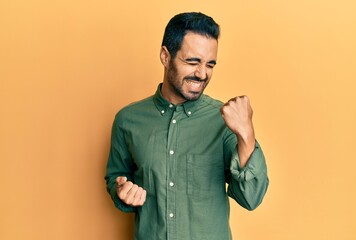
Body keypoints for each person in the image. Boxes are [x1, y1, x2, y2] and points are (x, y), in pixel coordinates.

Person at [105, 12, 269, 240]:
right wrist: (121, 190)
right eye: (192, 62)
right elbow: (116, 178)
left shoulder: (224, 121)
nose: (202, 74)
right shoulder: (127, 120)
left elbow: (251, 198)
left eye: (210, 64)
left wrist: (246, 135)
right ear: (165, 56)